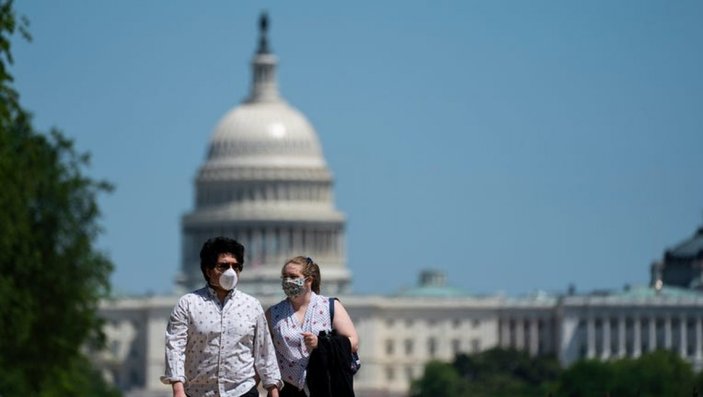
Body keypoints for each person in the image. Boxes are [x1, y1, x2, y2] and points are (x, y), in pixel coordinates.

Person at [161, 236, 283, 397]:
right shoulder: (188, 304)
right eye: (223, 266)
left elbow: (264, 351)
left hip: (242, 390)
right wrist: (178, 388)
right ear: (208, 270)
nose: (231, 271)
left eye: (236, 266)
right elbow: (175, 347)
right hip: (198, 391)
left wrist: (272, 389)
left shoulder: (252, 305)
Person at [266, 256, 359, 397]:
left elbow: (353, 341)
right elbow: (265, 355)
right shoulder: (273, 313)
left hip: (325, 387)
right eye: (284, 277)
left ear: (309, 280)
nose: (287, 281)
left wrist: (321, 343)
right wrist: (273, 389)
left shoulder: (330, 307)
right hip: (287, 389)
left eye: (293, 276)